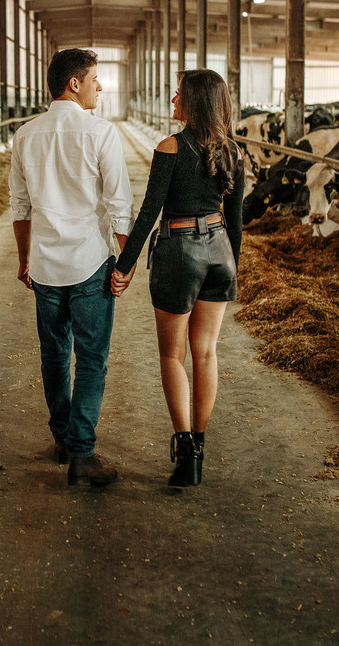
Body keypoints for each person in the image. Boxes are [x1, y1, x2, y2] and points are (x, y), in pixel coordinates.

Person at [110, 69, 244, 488]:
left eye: (179, 93)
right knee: (206, 353)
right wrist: (232, 268)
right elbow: (236, 221)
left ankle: (185, 455)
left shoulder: (170, 146)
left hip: (180, 251)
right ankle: (199, 449)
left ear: (195, 101)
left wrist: (124, 264)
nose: (172, 99)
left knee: (173, 355)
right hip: (220, 252)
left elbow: (150, 211)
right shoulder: (234, 152)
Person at [9, 48, 133, 488]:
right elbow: (120, 207)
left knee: (54, 355)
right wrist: (126, 265)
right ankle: (82, 454)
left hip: (44, 266)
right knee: (92, 360)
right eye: (95, 79)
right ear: (74, 83)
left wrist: (24, 259)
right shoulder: (101, 133)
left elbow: (20, 208)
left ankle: (62, 438)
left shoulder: (25, 135)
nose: (101, 86)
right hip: (89, 263)